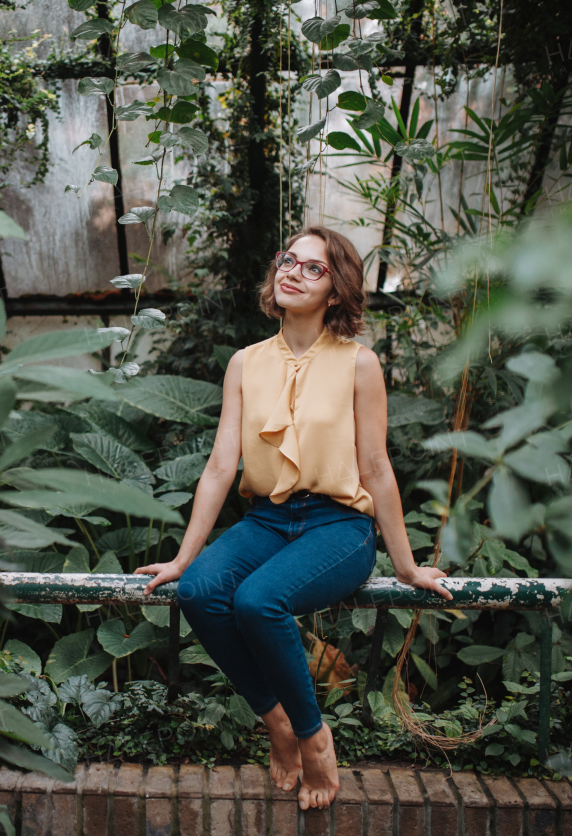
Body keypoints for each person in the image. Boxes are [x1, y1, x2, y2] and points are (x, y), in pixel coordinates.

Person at [133, 226, 454, 811]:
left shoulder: (360, 365)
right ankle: (276, 721)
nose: (292, 272)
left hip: (339, 528)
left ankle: (313, 738)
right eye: (288, 260)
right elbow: (219, 466)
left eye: (313, 269)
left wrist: (406, 566)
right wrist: (184, 556)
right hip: (267, 520)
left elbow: (378, 469)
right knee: (202, 589)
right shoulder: (244, 364)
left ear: (337, 292)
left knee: (258, 601)